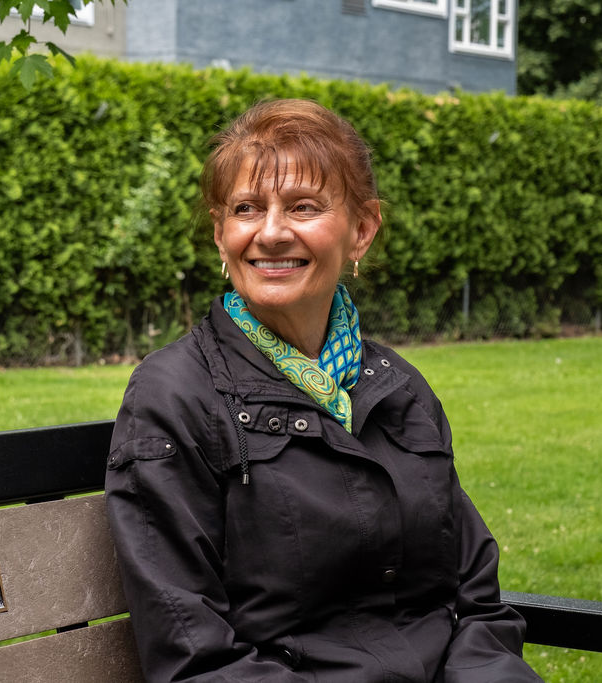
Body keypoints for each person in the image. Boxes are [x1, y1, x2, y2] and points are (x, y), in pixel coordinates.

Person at [105, 99, 541, 682]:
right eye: (246, 208)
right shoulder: (175, 396)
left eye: (304, 207)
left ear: (362, 230)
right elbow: (195, 658)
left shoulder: (398, 386)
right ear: (220, 234)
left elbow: (474, 601)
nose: (272, 232)